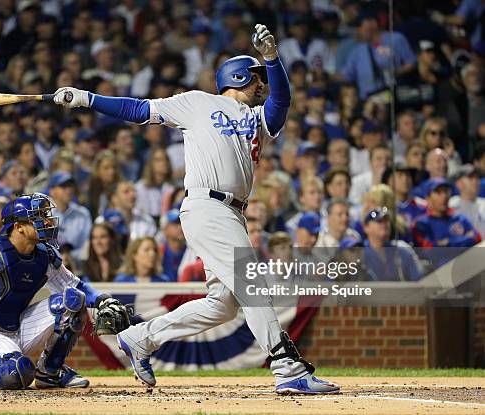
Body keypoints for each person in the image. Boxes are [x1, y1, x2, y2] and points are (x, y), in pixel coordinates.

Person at [54, 24, 339, 394]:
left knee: (222, 305)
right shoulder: (197, 101)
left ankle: (141, 338)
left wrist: (272, 59)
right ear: (237, 76)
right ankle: (288, 368)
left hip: (231, 212)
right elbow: (139, 110)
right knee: (251, 284)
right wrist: (88, 99)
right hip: (207, 205)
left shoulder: (258, 119)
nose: (261, 84)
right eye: (255, 78)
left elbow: (281, 102)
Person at [0, 193, 129, 389]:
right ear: (19, 227)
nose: (47, 221)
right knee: (17, 372)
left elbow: (77, 286)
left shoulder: (44, 255)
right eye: (38, 217)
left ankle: (49, 373)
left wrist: (104, 300)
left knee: (73, 300)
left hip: (18, 324)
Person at [362, 208, 423, 281]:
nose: (384, 224)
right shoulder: (359, 253)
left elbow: (418, 281)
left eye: (386, 221)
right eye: (379, 221)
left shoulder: (402, 250)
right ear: (366, 227)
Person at [47, 171, 92, 266]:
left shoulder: (83, 214)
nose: (69, 190)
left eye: (70, 186)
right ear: (52, 191)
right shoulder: (43, 214)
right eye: (63, 187)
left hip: (76, 266)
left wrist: (69, 256)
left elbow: (86, 247)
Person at [449, 165, 485, 236]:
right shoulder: (452, 204)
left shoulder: (484, 203)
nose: (475, 181)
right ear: (459, 183)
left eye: (477, 177)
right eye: (470, 177)